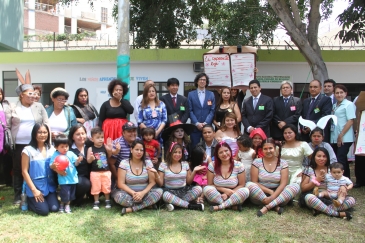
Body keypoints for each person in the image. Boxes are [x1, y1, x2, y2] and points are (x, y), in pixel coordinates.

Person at [6, 79, 48, 205]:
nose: (33, 96)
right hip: (19, 143)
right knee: (19, 169)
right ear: (21, 95)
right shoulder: (12, 107)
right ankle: (18, 196)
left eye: (34, 93)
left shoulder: (38, 106)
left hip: (36, 143)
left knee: (36, 168)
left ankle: (38, 191)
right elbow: (7, 126)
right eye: (29, 93)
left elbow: (46, 123)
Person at [246, 138, 300, 217]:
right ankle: (275, 207)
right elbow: (255, 182)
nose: (268, 151)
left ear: (275, 148)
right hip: (260, 195)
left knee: (295, 186)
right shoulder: (256, 162)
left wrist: (272, 197)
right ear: (262, 150)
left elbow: (283, 184)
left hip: (278, 196)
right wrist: (270, 192)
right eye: (265, 149)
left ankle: (268, 206)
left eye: (270, 148)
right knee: (249, 184)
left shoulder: (283, 163)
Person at [300, 147, 355, 220]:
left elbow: (341, 179)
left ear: (327, 158)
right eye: (319, 156)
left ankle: (321, 209)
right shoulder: (309, 169)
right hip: (316, 196)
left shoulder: (332, 169)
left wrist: (343, 186)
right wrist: (316, 180)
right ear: (314, 157)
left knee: (351, 200)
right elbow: (303, 188)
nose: (321, 159)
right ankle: (337, 213)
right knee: (309, 197)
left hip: (332, 196)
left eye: (324, 156)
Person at [112, 140, 163, 215]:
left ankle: (132, 209)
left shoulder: (148, 162)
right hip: (129, 194)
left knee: (159, 192)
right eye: (136, 149)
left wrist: (142, 193)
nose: (139, 152)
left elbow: (152, 182)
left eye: (141, 150)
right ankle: (148, 205)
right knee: (119, 196)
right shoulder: (124, 163)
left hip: (145, 194)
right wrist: (133, 193)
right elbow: (120, 184)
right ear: (131, 150)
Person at [153, 143, 205, 211]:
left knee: (199, 189)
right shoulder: (163, 165)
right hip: (169, 191)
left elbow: (189, 182)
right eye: (175, 152)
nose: (177, 154)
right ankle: (191, 206)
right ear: (170, 152)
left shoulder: (185, 164)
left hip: (183, 191)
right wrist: (155, 173)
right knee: (165, 195)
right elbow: (160, 184)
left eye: (179, 152)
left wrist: (194, 171)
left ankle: (175, 204)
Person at [21, 123, 59, 216]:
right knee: (44, 211)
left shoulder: (52, 149)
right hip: (36, 187)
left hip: (49, 187)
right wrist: (34, 190)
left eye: (45, 132)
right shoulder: (27, 150)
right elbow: (24, 171)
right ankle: (29, 201)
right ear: (34, 134)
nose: (43, 135)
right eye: (40, 132)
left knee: (54, 208)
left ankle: (46, 200)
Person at [203, 142, 249, 212]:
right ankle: (231, 206)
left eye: (226, 151)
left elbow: (241, 185)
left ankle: (220, 206)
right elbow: (210, 184)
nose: (224, 154)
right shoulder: (212, 165)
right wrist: (224, 190)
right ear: (217, 155)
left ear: (230, 151)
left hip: (233, 194)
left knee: (245, 190)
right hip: (217, 196)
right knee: (207, 189)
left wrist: (228, 194)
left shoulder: (239, 165)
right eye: (221, 152)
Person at [50, 134, 82, 213]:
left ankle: (65, 205)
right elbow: (51, 166)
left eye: (66, 146)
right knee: (65, 193)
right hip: (63, 179)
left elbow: (76, 164)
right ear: (56, 147)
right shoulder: (55, 155)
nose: (65, 148)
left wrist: (78, 160)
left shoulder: (70, 153)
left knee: (71, 194)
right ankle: (64, 206)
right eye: (62, 146)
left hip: (73, 178)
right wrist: (54, 166)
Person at [330, 84, 356, 178]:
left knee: (340, 158)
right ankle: (346, 177)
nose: (339, 94)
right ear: (334, 94)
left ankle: (341, 179)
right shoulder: (334, 105)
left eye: (341, 92)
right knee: (341, 158)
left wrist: (341, 135)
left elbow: (350, 121)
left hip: (345, 137)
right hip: (334, 136)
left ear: (345, 94)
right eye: (337, 93)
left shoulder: (349, 104)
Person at [87, 127, 114, 210]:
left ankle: (107, 200)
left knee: (106, 186)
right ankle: (96, 201)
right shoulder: (90, 148)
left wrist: (111, 150)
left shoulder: (105, 147)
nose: (100, 139)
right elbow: (88, 161)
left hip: (106, 171)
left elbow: (109, 156)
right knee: (95, 187)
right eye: (97, 138)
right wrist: (91, 158)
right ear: (92, 139)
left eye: (102, 137)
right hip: (95, 172)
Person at [188, 73, 215, 147]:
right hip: (195, 127)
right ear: (197, 81)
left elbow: (212, 110)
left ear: (206, 82)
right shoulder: (191, 94)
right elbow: (190, 110)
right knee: (194, 147)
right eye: (200, 79)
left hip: (207, 127)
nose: (202, 81)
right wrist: (197, 123)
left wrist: (206, 123)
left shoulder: (211, 94)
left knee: (207, 147)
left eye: (204, 80)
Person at [68, 124, 91, 206]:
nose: (81, 136)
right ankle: (75, 200)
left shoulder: (90, 146)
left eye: (83, 133)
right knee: (84, 184)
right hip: (76, 178)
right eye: (78, 134)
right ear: (72, 137)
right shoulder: (69, 150)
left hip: (90, 176)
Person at [0, 87, 12, 187]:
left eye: (0, 93)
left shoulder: (5, 105)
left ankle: (7, 180)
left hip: (4, 136)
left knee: (6, 159)